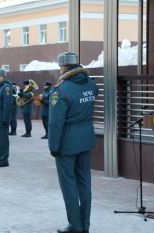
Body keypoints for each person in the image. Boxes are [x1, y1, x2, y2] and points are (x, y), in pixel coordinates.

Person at [48, 52, 99, 233]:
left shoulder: (60, 90)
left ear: (62, 67)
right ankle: (85, 225)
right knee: (84, 182)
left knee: (69, 185)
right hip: (86, 139)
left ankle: (75, 225)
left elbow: (55, 123)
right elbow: (94, 93)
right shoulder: (91, 85)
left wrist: (53, 146)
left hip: (67, 144)